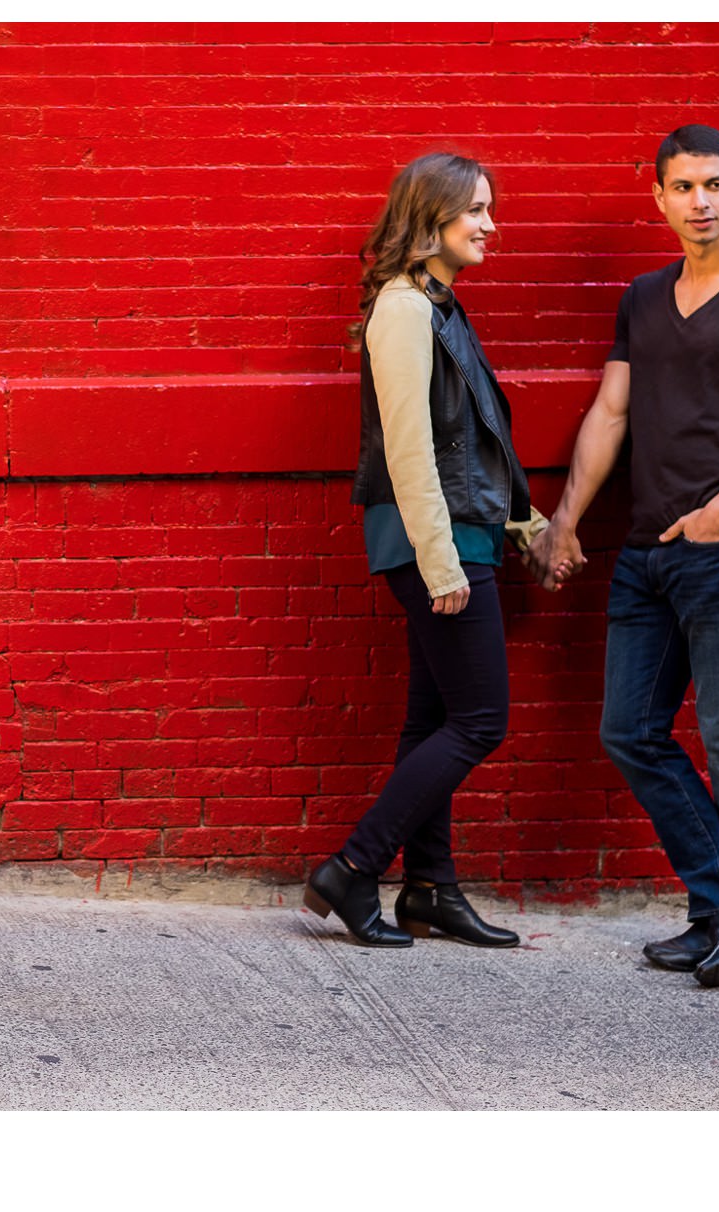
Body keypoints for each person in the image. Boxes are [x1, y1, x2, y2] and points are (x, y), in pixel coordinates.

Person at [529, 125, 719, 988]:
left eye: (714, 185)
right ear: (657, 194)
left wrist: (718, 513)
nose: (700, 201)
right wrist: (565, 520)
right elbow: (611, 414)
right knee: (629, 731)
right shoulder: (645, 296)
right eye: (684, 187)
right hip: (643, 554)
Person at [303, 152, 552, 949]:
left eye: (489, 209)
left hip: (460, 535)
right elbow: (409, 448)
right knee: (481, 719)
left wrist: (524, 523)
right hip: (432, 545)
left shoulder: (441, 305)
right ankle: (352, 868)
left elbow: (475, 440)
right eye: (474, 210)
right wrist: (443, 564)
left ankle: (431, 890)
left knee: (433, 717)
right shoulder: (405, 310)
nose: (490, 224)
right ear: (431, 217)